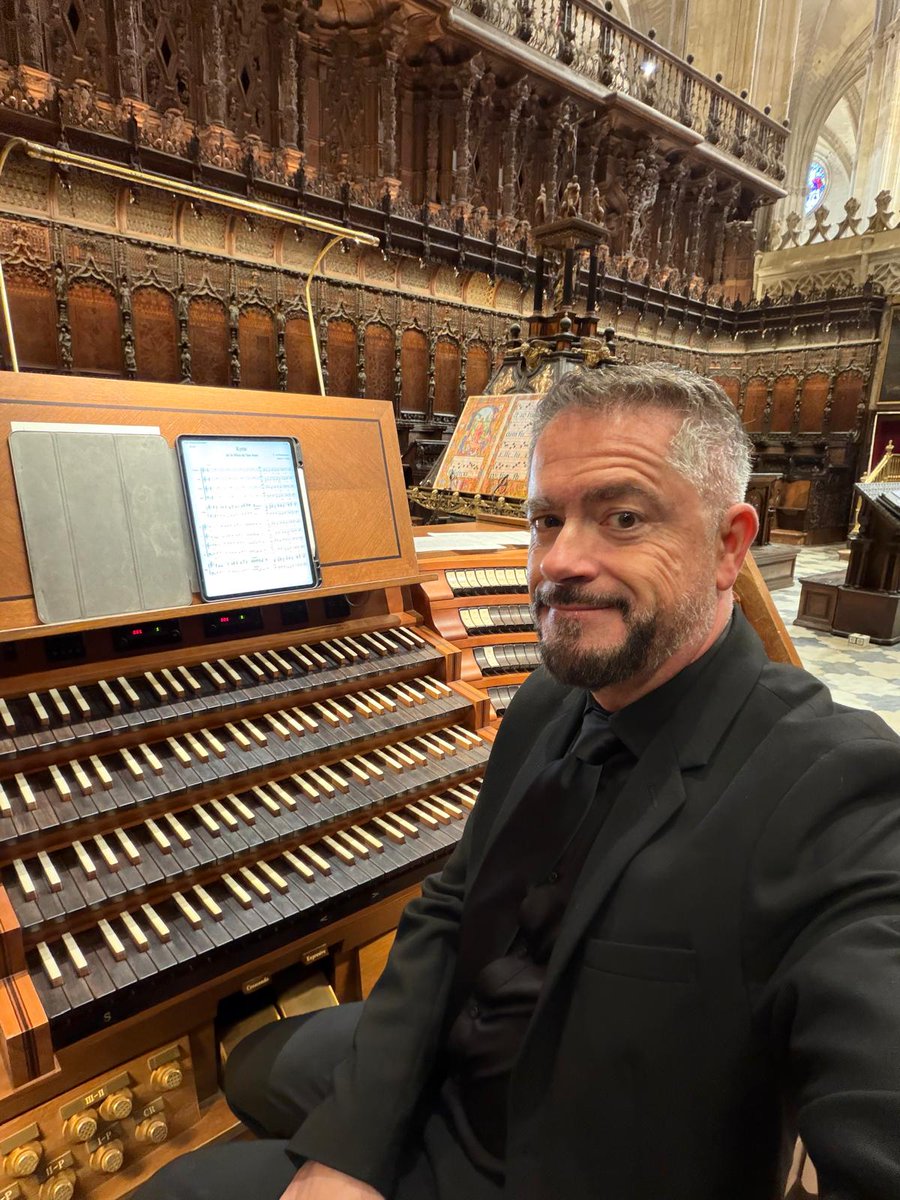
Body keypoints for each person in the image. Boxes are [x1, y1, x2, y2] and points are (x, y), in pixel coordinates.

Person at [139, 365, 900, 1200]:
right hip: (476, 1052)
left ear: (729, 545)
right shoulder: (552, 700)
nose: (561, 561)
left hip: (544, 1158)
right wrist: (349, 1149)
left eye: (623, 517)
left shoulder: (833, 787)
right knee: (253, 1065)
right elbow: (452, 905)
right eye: (547, 518)